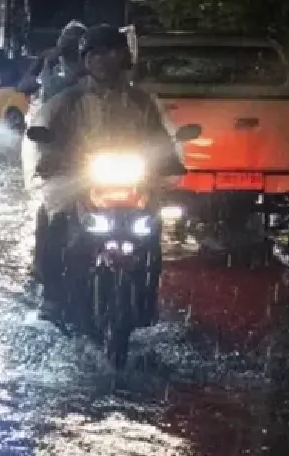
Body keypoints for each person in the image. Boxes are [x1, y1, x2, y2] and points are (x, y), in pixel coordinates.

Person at [33, 23, 182, 316]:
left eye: (111, 52)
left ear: (124, 57)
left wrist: (169, 160)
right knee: (54, 223)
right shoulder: (67, 100)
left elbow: (159, 137)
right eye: (96, 54)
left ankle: (147, 300)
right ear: (86, 60)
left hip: (134, 182)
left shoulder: (142, 101)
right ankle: (52, 296)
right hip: (80, 179)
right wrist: (50, 158)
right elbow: (45, 133)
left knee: (152, 231)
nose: (104, 60)